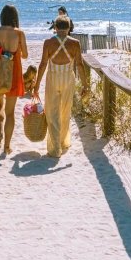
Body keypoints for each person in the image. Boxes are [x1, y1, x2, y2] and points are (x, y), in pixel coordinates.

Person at [33, 15, 87, 158]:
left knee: (52, 112)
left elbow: (43, 64)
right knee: (65, 111)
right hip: (68, 79)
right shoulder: (75, 43)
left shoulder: (48, 43)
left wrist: (36, 85)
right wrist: (85, 85)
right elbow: (80, 65)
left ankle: (55, 148)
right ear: (69, 28)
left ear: (55, 28)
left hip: (53, 79)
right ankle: (62, 142)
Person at [0, 4, 28, 154]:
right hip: (13, 72)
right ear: (15, 18)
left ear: (2, 17)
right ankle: (7, 146)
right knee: (10, 112)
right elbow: (25, 55)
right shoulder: (20, 33)